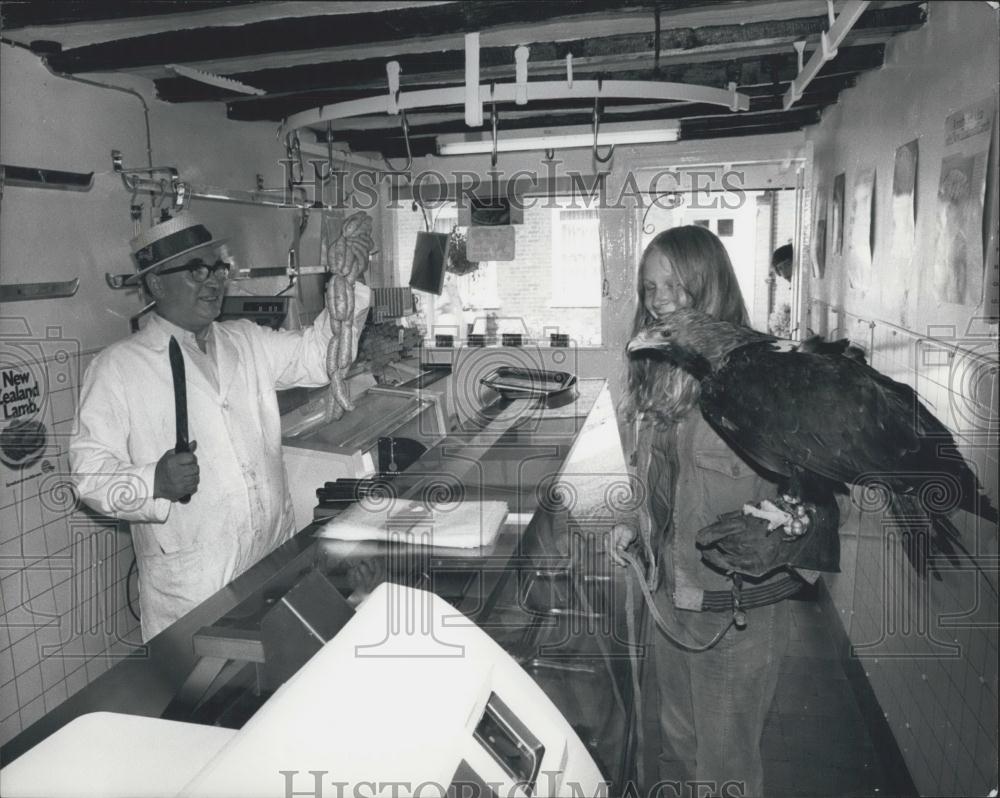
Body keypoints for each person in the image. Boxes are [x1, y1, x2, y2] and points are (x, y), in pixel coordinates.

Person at [70, 213, 369, 641]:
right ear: (156, 284)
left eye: (217, 268)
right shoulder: (117, 368)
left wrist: (351, 282)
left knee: (276, 689)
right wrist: (151, 480)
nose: (213, 281)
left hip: (271, 561)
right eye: (196, 270)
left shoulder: (245, 340)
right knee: (205, 702)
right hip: (193, 588)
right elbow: (88, 475)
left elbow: (321, 358)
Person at [610, 225, 805, 798]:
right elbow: (657, 483)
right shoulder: (656, 371)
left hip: (736, 614)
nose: (659, 298)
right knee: (678, 746)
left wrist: (794, 523)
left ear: (710, 285)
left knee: (723, 770)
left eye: (674, 283)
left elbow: (819, 497)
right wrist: (634, 523)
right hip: (672, 598)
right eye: (649, 287)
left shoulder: (763, 376)